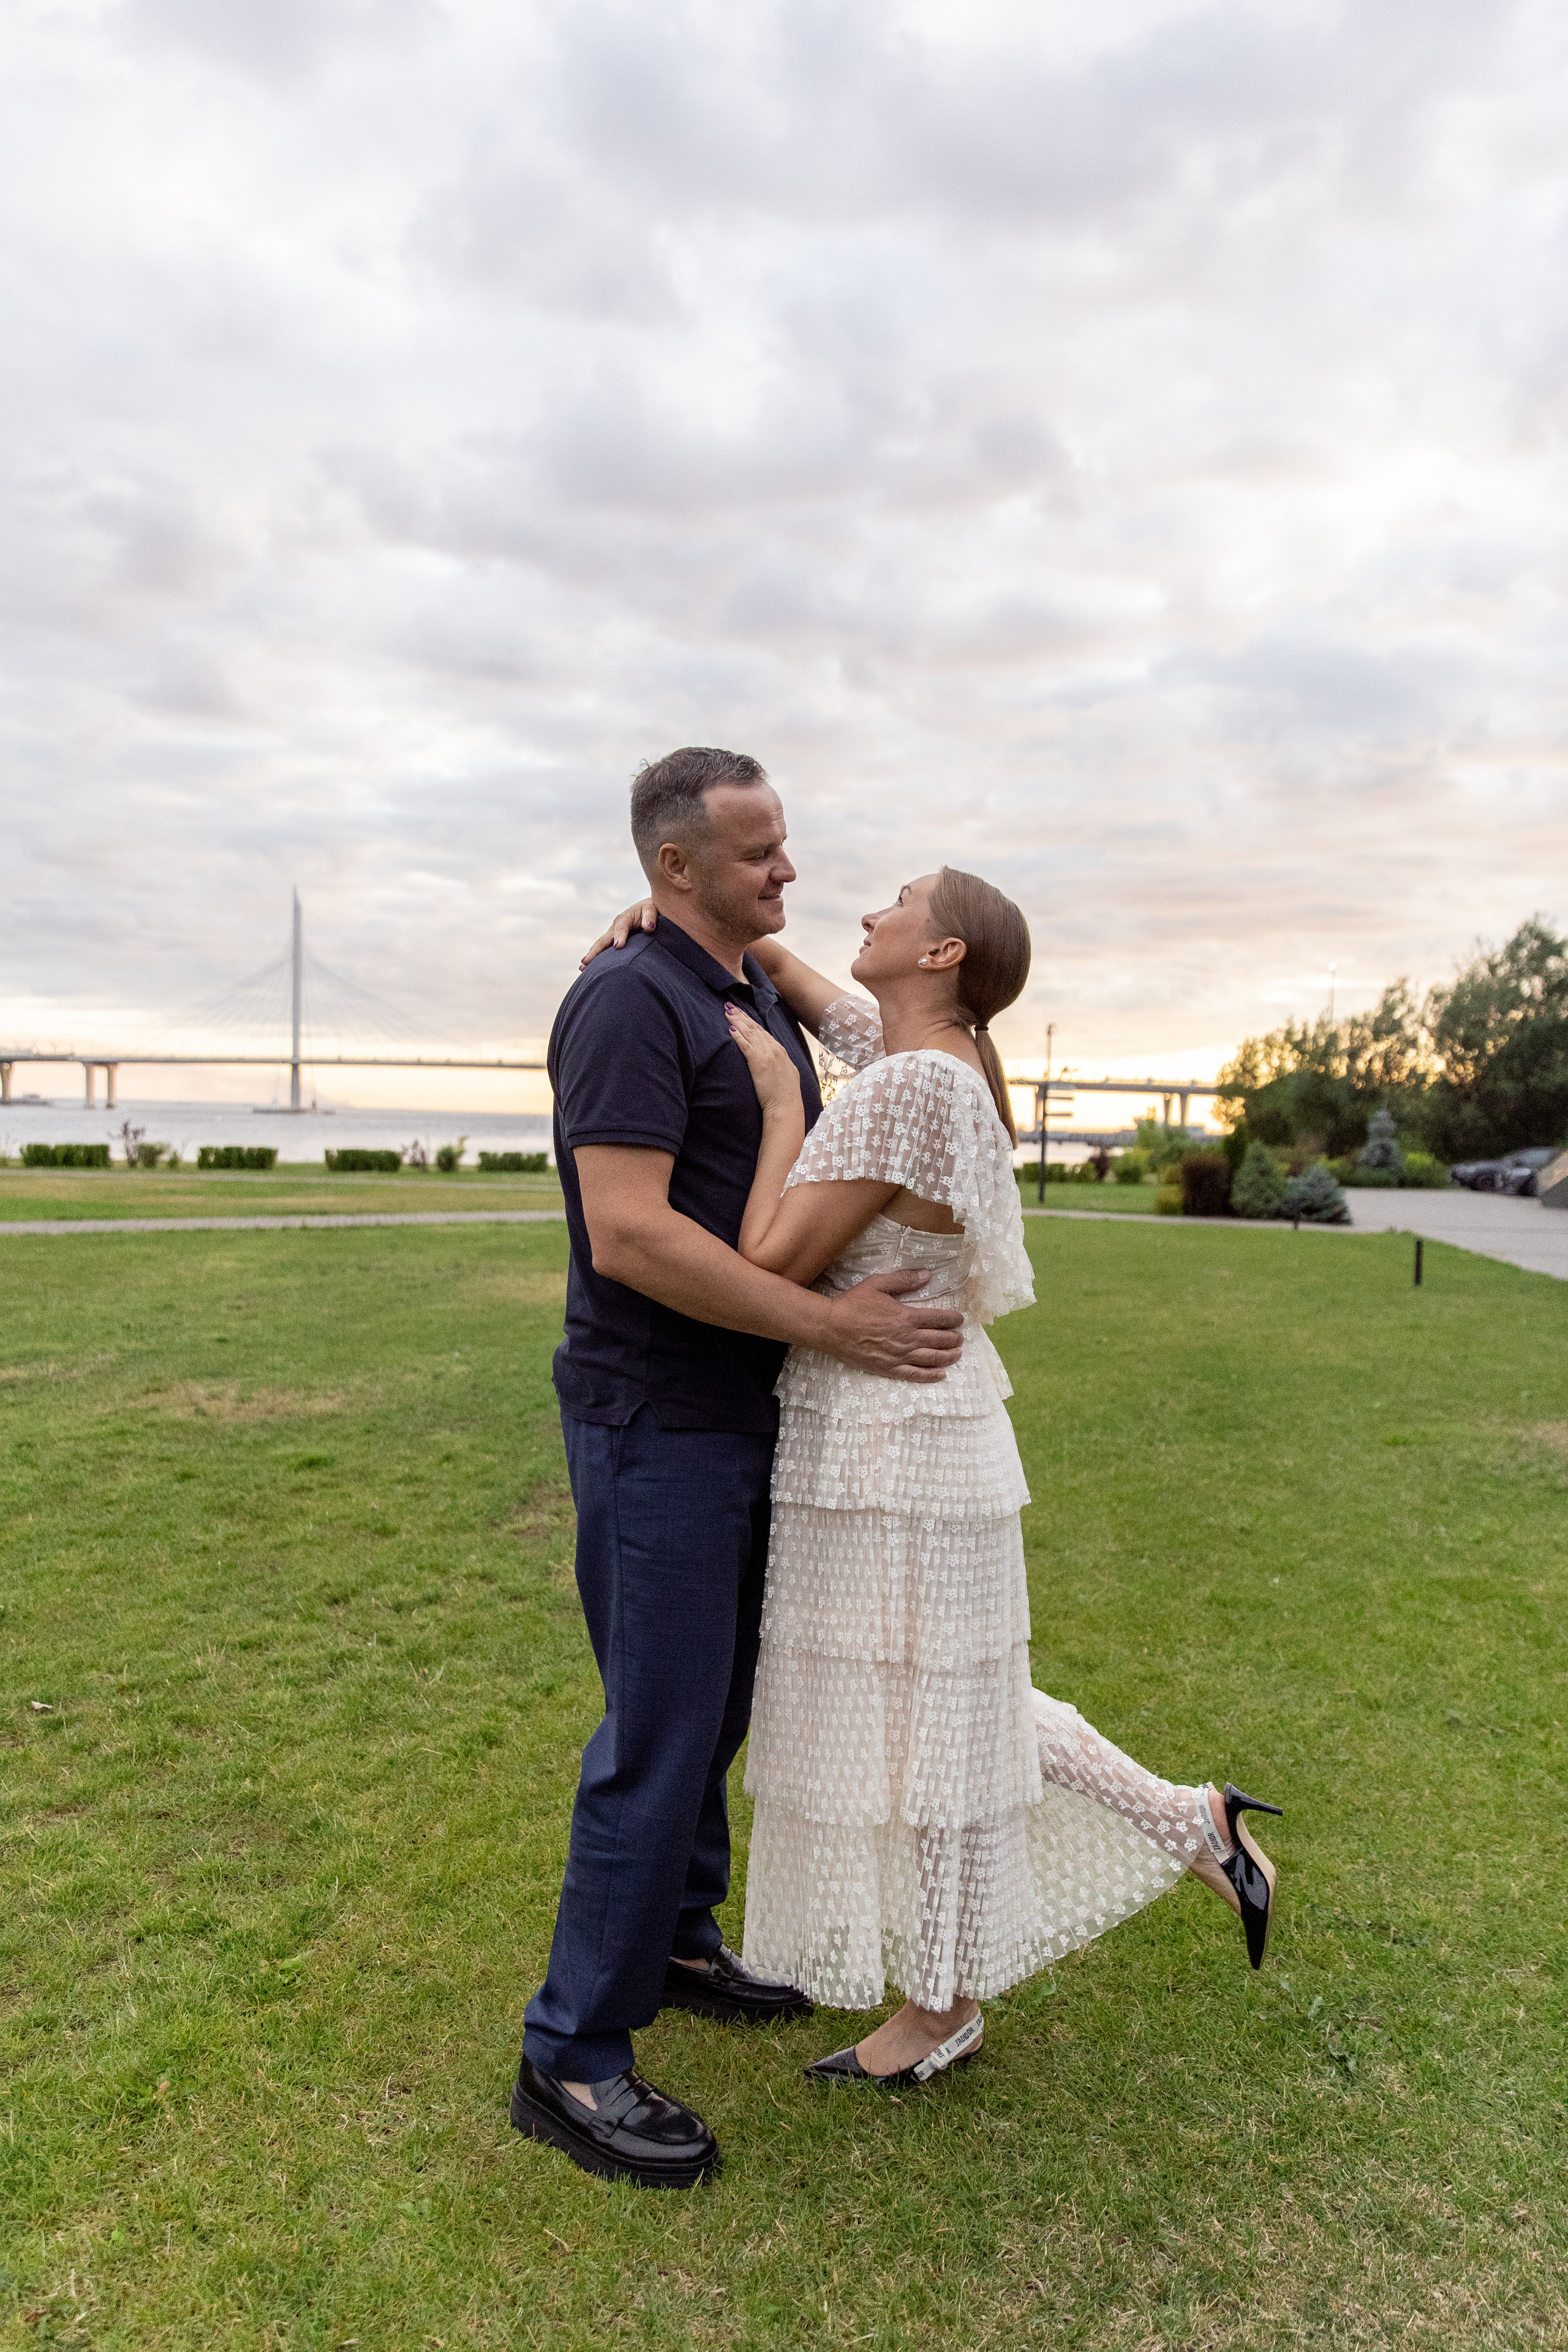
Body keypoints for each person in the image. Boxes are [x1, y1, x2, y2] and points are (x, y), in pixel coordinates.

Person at [705, 865, 1283, 2084]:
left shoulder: (910, 1083)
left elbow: (765, 1258)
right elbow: (809, 987)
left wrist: (771, 1100)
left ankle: (943, 2009)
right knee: (943, 1707)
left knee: (932, 1724)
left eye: (897, 901)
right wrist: (690, 919)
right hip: (923, 1422)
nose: (865, 912)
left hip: (883, 1432)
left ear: (942, 954)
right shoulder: (945, 1059)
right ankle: (1186, 1823)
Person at [511, 748, 968, 2190]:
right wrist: (829, 1322)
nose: (787, 876)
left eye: (785, 848)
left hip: (742, 1410)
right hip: (658, 1418)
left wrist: (746, 939)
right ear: (674, 869)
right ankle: (570, 2057)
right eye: (758, 857)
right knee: (655, 1734)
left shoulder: (744, 983)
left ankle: (679, 1937)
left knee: (714, 1712)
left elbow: (862, 1038)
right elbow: (632, 1235)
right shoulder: (626, 1002)